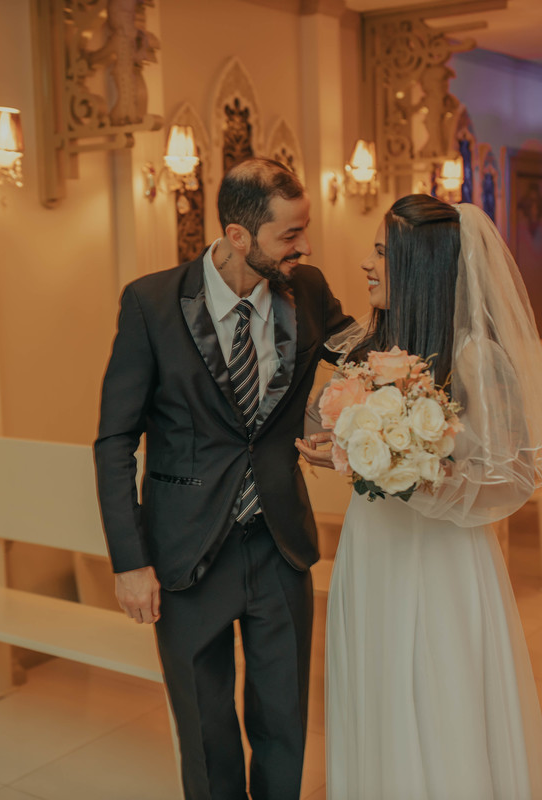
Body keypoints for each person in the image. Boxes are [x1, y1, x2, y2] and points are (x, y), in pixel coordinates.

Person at [93, 158, 353, 800]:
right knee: (207, 732)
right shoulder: (151, 303)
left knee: (283, 721)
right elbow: (115, 441)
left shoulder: (308, 289)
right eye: (290, 234)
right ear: (239, 235)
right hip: (185, 552)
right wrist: (130, 561)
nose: (306, 246)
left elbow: (369, 356)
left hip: (280, 544)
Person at [297, 196, 542, 799]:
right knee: (377, 686)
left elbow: (512, 476)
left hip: (439, 558)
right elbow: (327, 416)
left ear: (418, 266)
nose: (366, 264)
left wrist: (415, 474)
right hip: (373, 547)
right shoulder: (378, 344)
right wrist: (344, 448)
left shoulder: (475, 356)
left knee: (438, 694)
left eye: (381, 253)